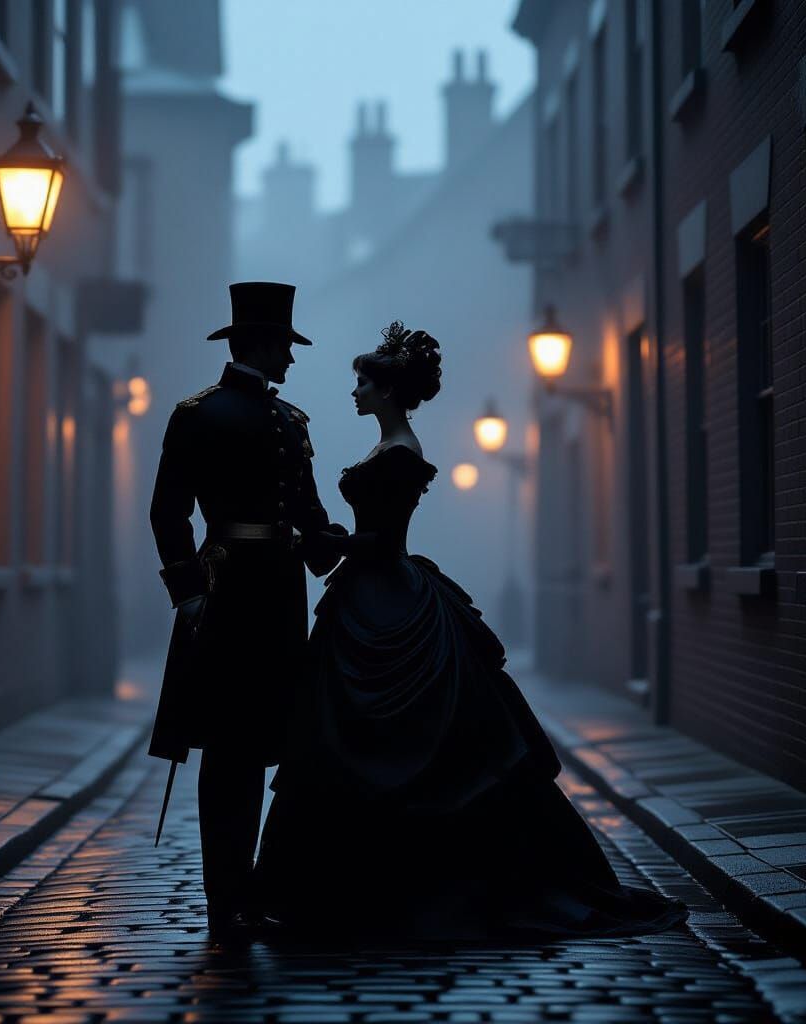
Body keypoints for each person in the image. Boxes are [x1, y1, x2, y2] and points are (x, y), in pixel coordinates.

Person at [253, 321, 687, 942]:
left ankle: (411, 886)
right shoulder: (387, 445)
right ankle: (341, 886)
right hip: (371, 594)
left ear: (386, 389)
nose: (353, 390)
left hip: (384, 592)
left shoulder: (402, 451)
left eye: (361, 381)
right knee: (346, 737)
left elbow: (380, 538)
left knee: (399, 739)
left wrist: (322, 541)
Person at [147, 282, 344, 946]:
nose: (290, 361)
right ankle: (225, 895)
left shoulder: (290, 420)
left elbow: (306, 517)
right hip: (226, 592)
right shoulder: (197, 415)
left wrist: (355, 548)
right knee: (229, 749)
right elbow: (167, 512)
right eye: (285, 347)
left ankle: (253, 890)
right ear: (258, 344)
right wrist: (190, 593)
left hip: (282, 595)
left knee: (270, 742)